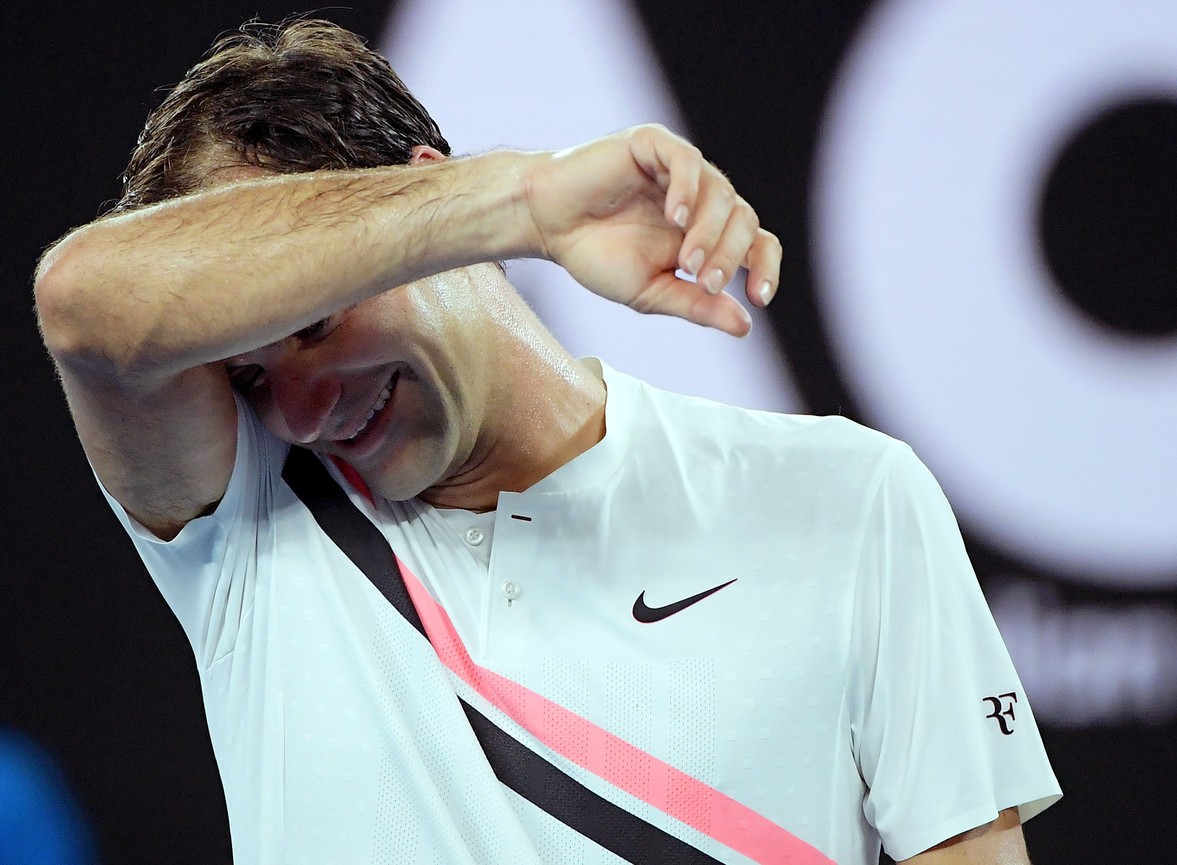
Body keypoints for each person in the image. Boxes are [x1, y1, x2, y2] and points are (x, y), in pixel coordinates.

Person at [34, 18, 1060, 865]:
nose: (299, 411)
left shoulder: (848, 495)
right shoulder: (241, 527)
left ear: (428, 206)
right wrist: (523, 198)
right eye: (251, 376)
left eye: (316, 322)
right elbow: (83, 302)